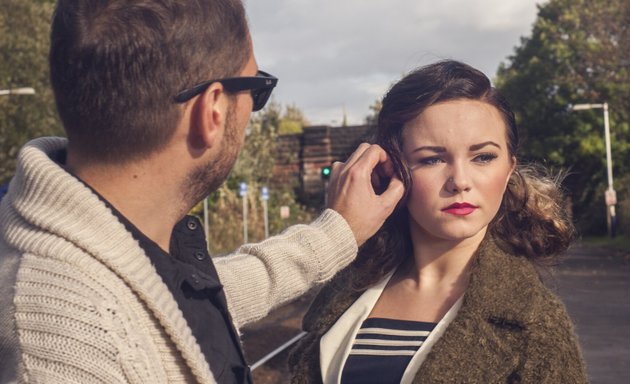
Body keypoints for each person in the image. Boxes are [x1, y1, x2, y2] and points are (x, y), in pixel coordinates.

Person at [0, 1, 405, 383]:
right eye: (255, 90)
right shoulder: (63, 347)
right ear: (211, 110)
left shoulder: (105, 250)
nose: (250, 111)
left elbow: (200, 297)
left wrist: (339, 233)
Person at [289, 60, 588, 383]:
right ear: (392, 170)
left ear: (509, 170)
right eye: (431, 159)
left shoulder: (535, 323)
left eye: (483, 157)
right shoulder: (349, 291)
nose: (460, 181)